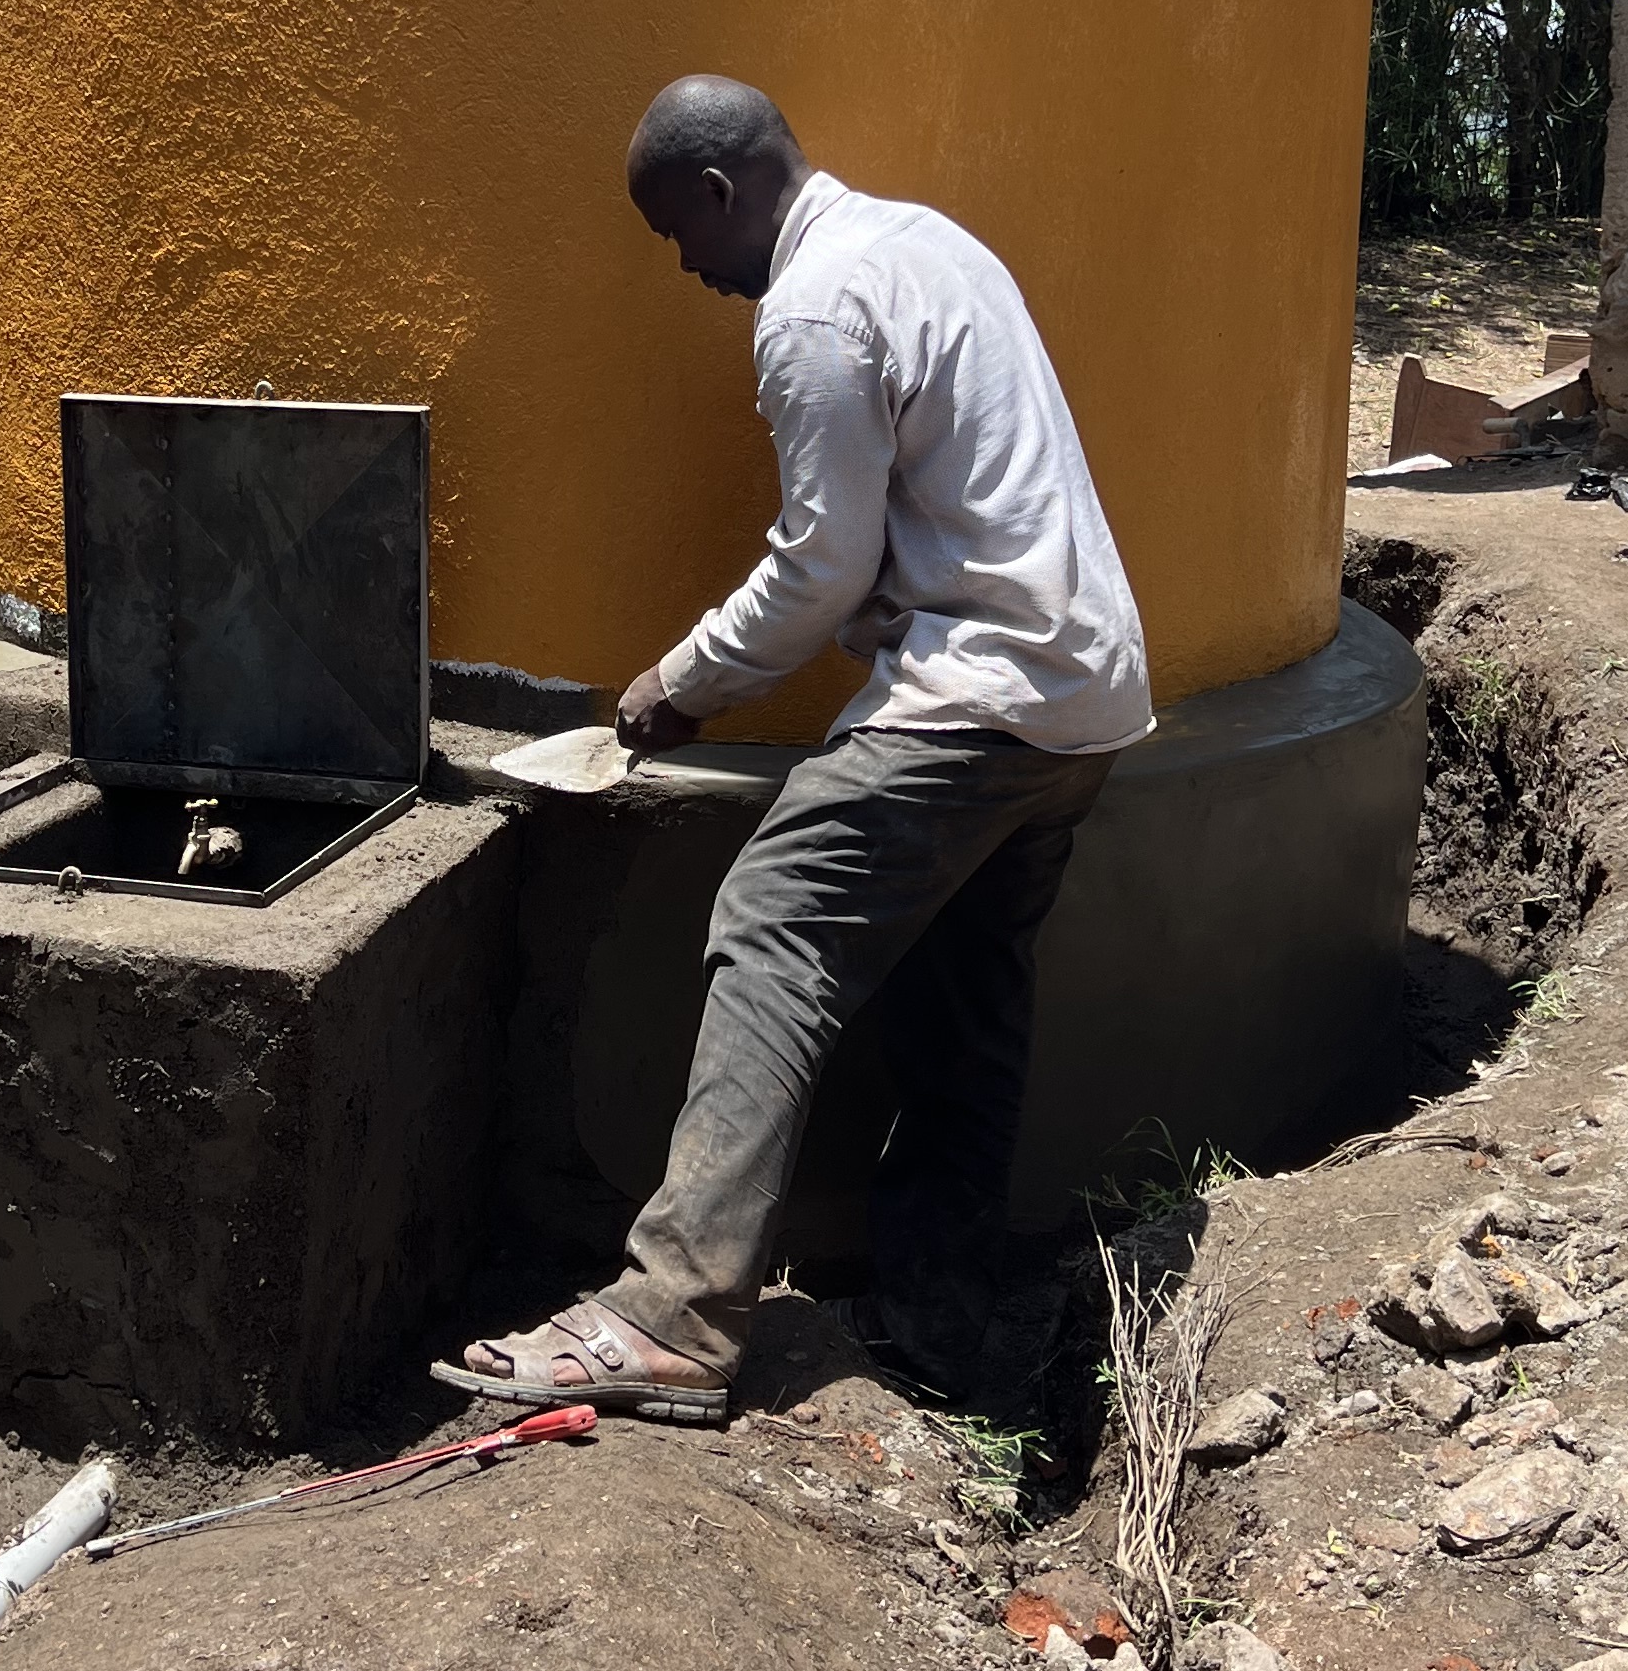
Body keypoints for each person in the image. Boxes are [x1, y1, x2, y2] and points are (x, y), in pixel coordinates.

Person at [438, 76, 1152, 1427]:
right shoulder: (925, 245)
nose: (687, 267)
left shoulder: (815, 307)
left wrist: (678, 685)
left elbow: (824, 565)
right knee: (965, 992)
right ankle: (949, 1313)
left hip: (981, 693)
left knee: (772, 923)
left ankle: (674, 1314)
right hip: (1086, 697)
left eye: (677, 235)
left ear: (720, 192)